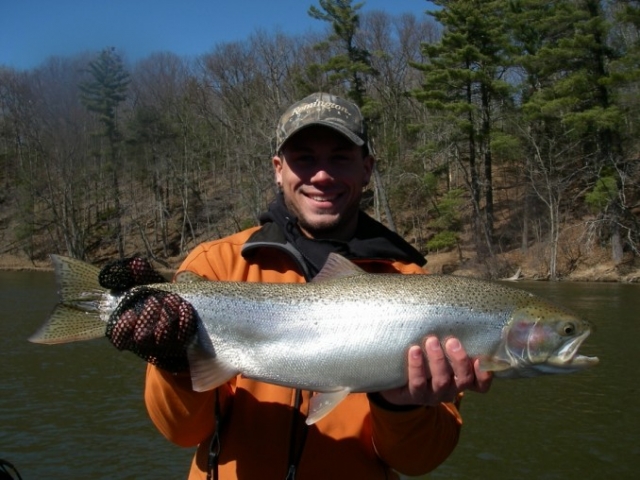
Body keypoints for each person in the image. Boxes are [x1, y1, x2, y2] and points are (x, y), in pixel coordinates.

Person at [104, 92, 492, 479]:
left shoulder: (422, 296)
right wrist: (176, 366)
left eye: (340, 157)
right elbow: (183, 432)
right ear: (278, 169)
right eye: (304, 158)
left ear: (367, 168)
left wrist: (402, 406)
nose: (322, 175)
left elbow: (417, 461)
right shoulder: (214, 266)